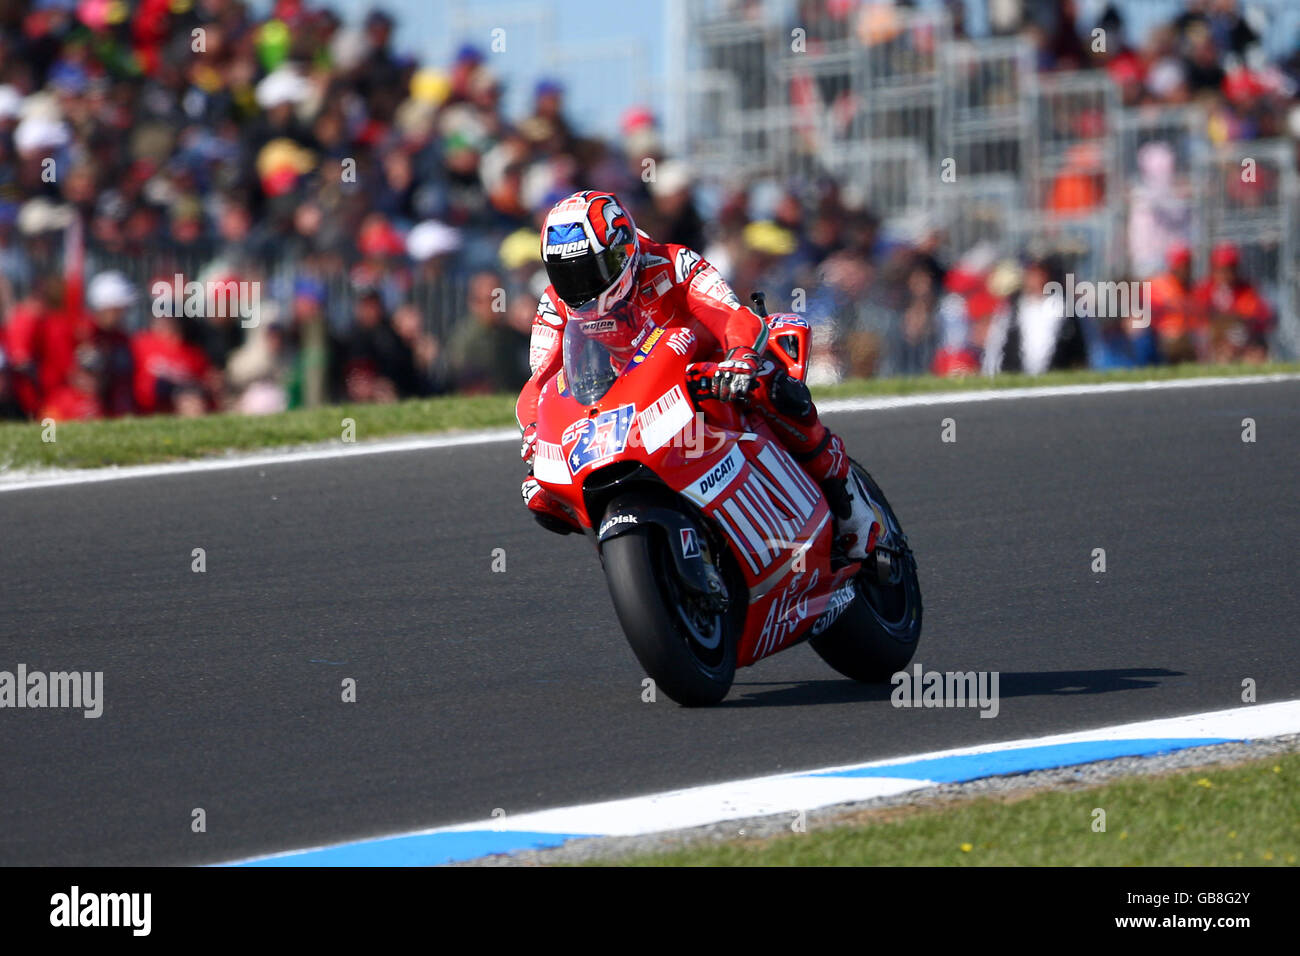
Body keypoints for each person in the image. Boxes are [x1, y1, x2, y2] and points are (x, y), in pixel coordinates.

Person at [515, 190, 878, 559]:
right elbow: (543, 382)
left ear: (621, 250)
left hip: (710, 373)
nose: (578, 284)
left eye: (588, 268)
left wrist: (738, 359)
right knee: (542, 496)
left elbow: (730, 313)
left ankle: (847, 501)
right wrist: (534, 431)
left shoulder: (672, 263)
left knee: (776, 388)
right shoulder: (555, 305)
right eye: (564, 273)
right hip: (626, 402)